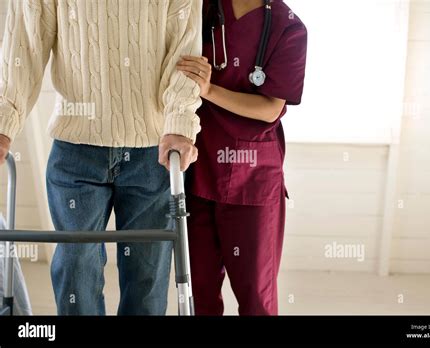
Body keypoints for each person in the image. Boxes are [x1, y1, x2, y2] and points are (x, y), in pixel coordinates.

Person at [0, 0, 202, 315]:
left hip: (152, 152)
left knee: (146, 278)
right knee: (75, 267)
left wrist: (179, 123)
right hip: (76, 148)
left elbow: (184, 52)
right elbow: (23, 45)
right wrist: (3, 125)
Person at [176, 0, 307, 315]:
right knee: (198, 293)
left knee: (256, 300)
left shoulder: (288, 26)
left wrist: (209, 90)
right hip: (198, 168)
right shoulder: (202, 8)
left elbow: (269, 108)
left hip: (254, 178)